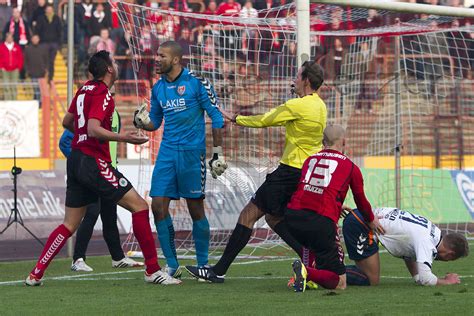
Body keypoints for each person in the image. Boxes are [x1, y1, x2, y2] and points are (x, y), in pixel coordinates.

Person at [25, 50, 181, 286]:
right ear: (109, 69)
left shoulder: (84, 89)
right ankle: (152, 270)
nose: (117, 66)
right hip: (91, 160)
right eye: (115, 63)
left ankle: (35, 273)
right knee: (139, 206)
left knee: (69, 223)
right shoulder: (103, 93)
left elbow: (67, 122)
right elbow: (93, 129)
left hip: (76, 159)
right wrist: (124, 138)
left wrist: (83, 134)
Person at [185, 60, 328, 283]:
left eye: (298, 77)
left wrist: (234, 118)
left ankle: (219, 270)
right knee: (273, 217)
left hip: (289, 171)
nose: (294, 81)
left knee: (247, 216)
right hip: (306, 172)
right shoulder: (320, 106)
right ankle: (309, 256)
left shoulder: (298, 105)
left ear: (307, 81)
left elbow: (264, 120)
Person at [133, 41, 227, 278]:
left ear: (175, 60)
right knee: (157, 206)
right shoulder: (158, 88)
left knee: (196, 209)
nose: (156, 59)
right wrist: (143, 123)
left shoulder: (197, 83)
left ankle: (203, 264)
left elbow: (216, 118)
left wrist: (217, 153)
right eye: (156, 55)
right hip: (166, 154)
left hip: (192, 155)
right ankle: (172, 264)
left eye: (161, 56)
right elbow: (155, 121)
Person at [284, 124, 383, 292]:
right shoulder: (351, 167)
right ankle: (306, 272)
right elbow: (361, 201)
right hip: (320, 220)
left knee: (310, 240)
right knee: (340, 283)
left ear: (323, 141)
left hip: (293, 216)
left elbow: (309, 189)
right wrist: (371, 219)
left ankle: (307, 278)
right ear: (343, 142)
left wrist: (336, 204)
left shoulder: (310, 160)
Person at [58, 108, 143, 272]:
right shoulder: (91, 116)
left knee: (109, 215)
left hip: (108, 171)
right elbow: (64, 142)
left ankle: (117, 257)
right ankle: (78, 258)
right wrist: (84, 164)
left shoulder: (115, 113)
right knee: (91, 213)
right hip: (93, 172)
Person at [342, 206, 469, 286]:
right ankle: (328, 270)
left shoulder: (433, 230)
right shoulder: (427, 243)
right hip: (361, 225)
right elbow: (427, 279)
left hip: (363, 214)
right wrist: (446, 281)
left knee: (366, 273)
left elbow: (409, 253)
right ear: (450, 254)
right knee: (371, 279)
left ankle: (329, 270)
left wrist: (416, 277)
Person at [0, 32, 23, 100]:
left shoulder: (17, 47)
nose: (9, 39)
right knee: (6, 86)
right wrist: (1, 67)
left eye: (11, 37)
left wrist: (19, 68)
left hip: (15, 70)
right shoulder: (1, 47)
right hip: (5, 70)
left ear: (12, 38)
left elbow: (20, 58)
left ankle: (14, 101)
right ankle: (7, 101)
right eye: (8, 37)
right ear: (6, 38)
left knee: (14, 86)